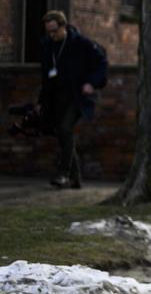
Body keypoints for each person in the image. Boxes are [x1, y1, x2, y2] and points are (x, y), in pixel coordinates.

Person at [37, 11, 108, 189]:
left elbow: (102, 62)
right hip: (57, 96)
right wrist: (41, 101)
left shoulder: (80, 43)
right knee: (61, 133)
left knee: (65, 127)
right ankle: (76, 179)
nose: (51, 35)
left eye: (54, 31)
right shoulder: (47, 45)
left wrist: (92, 83)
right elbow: (46, 77)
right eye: (48, 31)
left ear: (63, 26)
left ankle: (63, 174)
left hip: (77, 95)